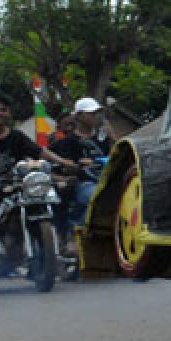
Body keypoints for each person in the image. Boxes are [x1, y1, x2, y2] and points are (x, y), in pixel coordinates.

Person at [0, 90, 69, 297]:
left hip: (15, 186)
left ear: (9, 113)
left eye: (3, 110)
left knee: (44, 208)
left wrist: (63, 162)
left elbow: (40, 152)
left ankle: (43, 265)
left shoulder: (17, 136)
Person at [51, 97, 113, 241]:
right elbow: (64, 168)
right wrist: (77, 166)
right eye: (91, 113)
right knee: (96, 196)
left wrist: (112, 139)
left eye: (97, 112)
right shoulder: (67, 142)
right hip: (84, 184)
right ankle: (74, 233)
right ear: (79, 116)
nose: (96, 116)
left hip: (107, 182)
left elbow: (114, 157)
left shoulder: (103, 138)